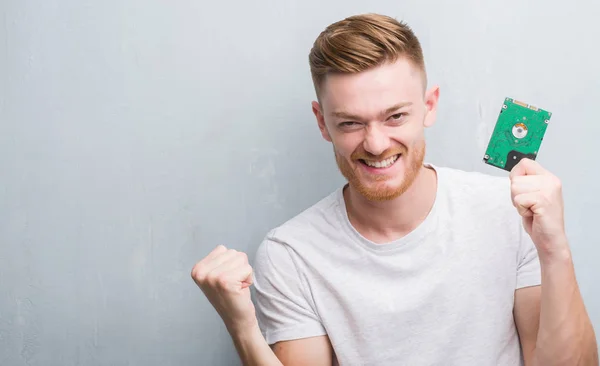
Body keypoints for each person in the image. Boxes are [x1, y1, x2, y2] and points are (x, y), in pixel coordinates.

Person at [191, 13, 598, 365]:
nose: (376, 143)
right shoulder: (290, 256)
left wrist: (554, 250)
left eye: (395, 116)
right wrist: (243, 327)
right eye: (350, 122)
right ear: (322, 123)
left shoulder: (508, 212)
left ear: (429, 106)